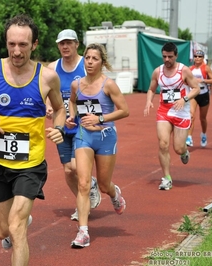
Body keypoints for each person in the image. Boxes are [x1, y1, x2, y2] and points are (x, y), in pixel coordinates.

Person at [0, 14, 66, 266]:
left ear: (35, 44)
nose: (17, 51)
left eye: (23, 45)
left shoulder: (47, 77)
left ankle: (21, 220)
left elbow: (59, 109)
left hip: (30, 163)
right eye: (12, 44)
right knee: (2, 231)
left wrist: (58, 128)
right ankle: (20, 219)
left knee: (16, 228)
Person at [66, 43, 129, 248]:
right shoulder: (77, 84)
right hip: (83, 136)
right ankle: (83, 232)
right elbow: (73, 102)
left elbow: (124, 110)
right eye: (87, 58)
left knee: (103, 184)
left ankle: (114, 193)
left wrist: (99, 117)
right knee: (83, 183)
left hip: (105, 137)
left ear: (102, 62)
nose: (90, 62)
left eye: (95, 58)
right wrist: (71, 116)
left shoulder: (108, 84)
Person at [46, 29, 101, 221]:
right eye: (61, 43)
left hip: (83, 126)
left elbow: (99, 90)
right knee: (68, 170)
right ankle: (82, 201)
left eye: (69, 42)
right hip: (62, 126)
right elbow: (46, 91)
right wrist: (47, 106)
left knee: (78, 167)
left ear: (77, 44)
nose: (65, 46)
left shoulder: (86, 66)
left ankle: (89, 187)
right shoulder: (52, 68)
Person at [144, 42, 200, 191]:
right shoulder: (158, 71)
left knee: (178, 148)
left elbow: (196, 88)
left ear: (176, 56)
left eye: (170, 57)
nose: (167, 59)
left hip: (181, 112)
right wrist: (149, 100)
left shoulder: (184, 71)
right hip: (164, 111)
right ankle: (167, 178)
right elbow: (151, 88)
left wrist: (184, 99)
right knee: (163, 143)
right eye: (164, 57)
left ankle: (184, 152)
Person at [185, 50, 212, 148]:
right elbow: (186, 80)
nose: (197, 58)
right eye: (195, 56)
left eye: (199, 56)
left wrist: (202, 80)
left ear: (203, 58)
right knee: (191, 116)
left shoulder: (206, 68)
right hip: (194, 94)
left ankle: (203, 134)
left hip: (204, 94)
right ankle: (189, 137)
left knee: (202, 118)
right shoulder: (190, 69)